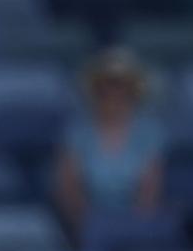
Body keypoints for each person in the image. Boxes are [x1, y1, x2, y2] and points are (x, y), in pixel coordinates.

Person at [54, 48, 165, 237]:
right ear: (97, 92)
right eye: (108, 88)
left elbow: (149, 191)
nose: (114, 96)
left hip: (135, 224)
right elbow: (68, 188)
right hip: (87, 224)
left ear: (133, 93)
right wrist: (87, 226)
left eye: (121, 88)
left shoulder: (148, 134)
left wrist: (135, 229)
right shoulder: (78, 133)